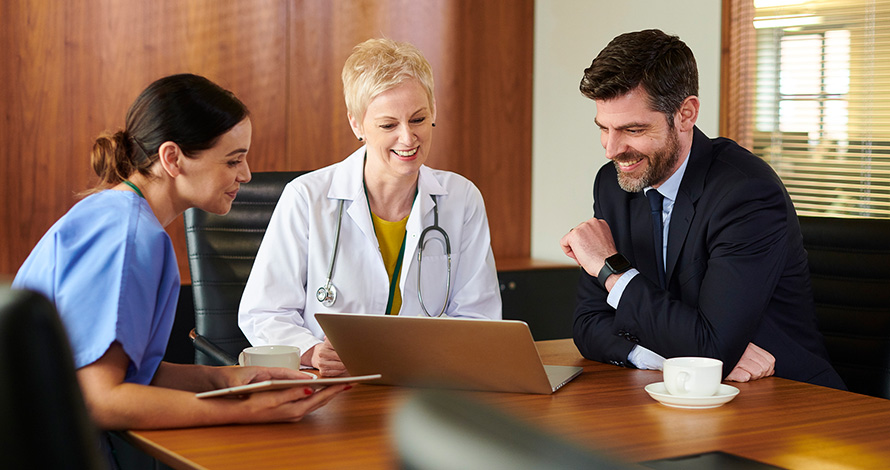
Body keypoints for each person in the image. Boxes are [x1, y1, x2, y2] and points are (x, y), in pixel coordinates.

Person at [12, 74, 350, 446]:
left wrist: (228, 379)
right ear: (172, 158)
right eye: (233, 160)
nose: (246, 174)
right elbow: (100, 399)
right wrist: (246, 412)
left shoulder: (114, 216)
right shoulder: (131, 239)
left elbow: (128, 374)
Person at [559, 29, 845, 389]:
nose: (612, 150)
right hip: (690, 392)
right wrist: (673, 358)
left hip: (784, 396)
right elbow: (588, 325)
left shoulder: (746, 194)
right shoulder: (613, 184)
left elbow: (711, 347)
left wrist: (610, 270)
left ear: (686, 114)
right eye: (604, 128)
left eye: (632, 129)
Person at [239, 38, 502, 377]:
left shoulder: (461, 198)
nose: (408, 139)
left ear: (433, 110)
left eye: (418, 119)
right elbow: (263, 312)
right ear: (356, 124)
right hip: (334, 387)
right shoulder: (306, 197)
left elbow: (480, 317)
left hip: (426, 383)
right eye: (388, 125)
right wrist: (313, 351)